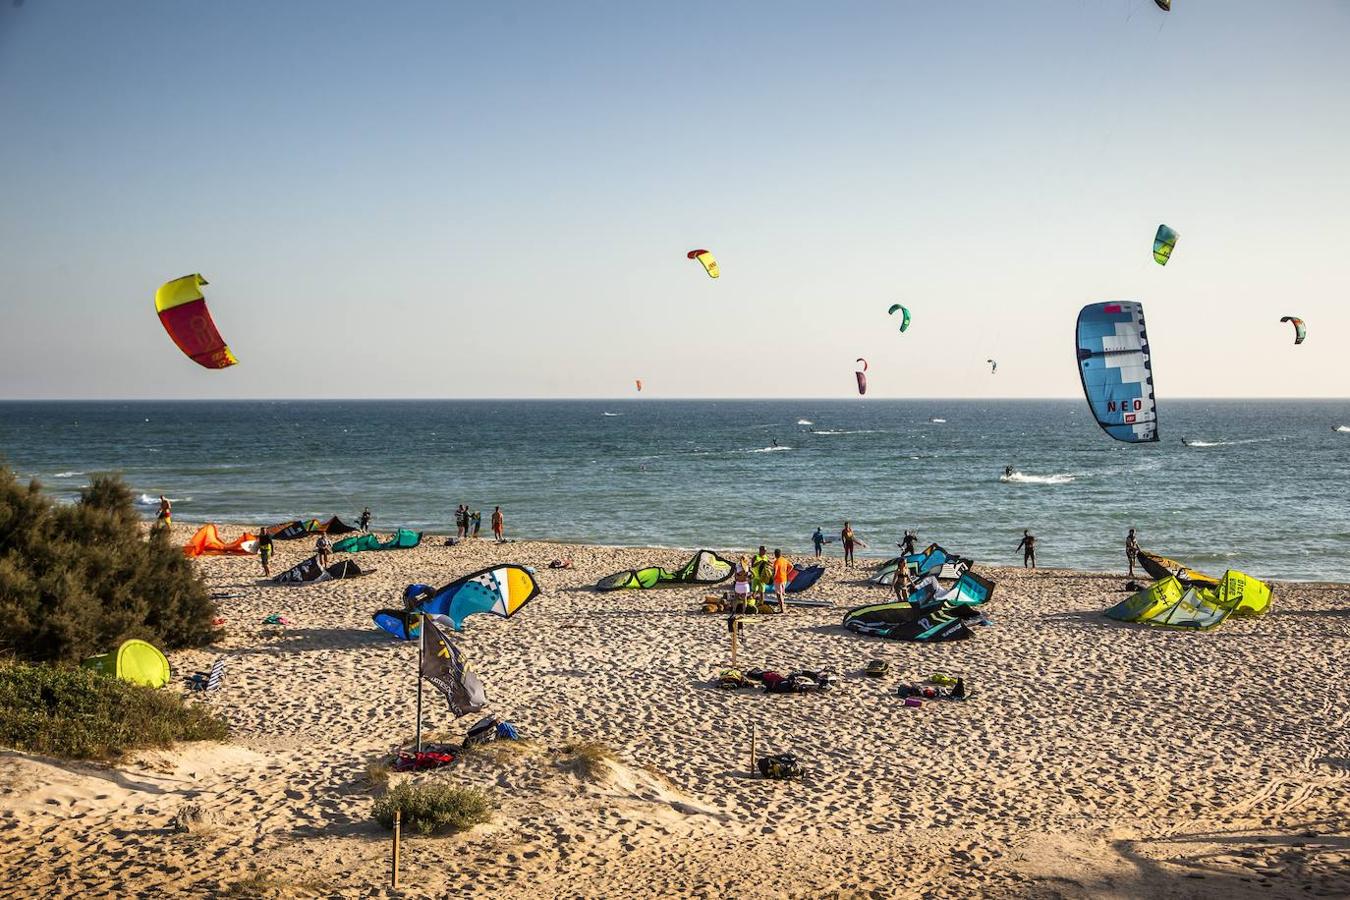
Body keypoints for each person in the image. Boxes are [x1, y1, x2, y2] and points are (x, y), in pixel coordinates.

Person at [771, 549, 793, 613]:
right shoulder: (784, 560)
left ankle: (782, 609)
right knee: (782, 593)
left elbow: (775, 571)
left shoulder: (777, 561)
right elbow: (791, 566)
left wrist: (772, 578)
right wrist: (787, 573)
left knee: (779, 594)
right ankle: (783, 607)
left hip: (778, 579)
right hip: (784, 578)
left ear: (775, 554)